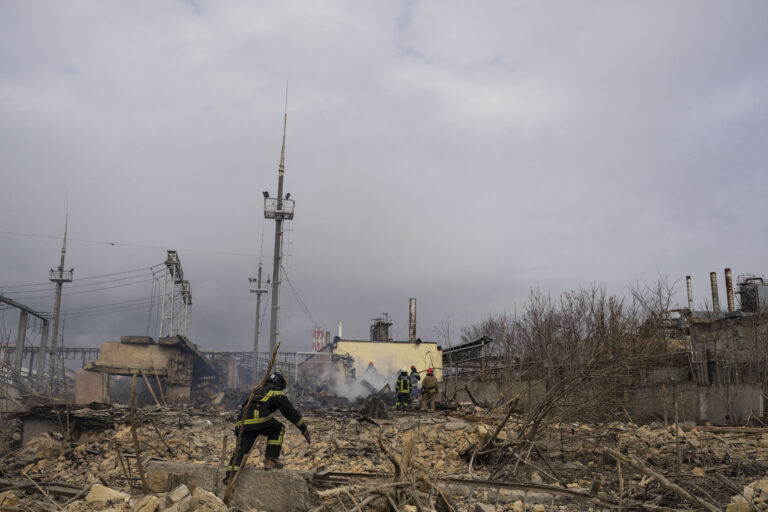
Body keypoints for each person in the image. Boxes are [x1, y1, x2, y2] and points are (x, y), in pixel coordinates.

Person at [224, 371, 310, 482]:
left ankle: (229, 476)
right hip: (258, 418)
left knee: (241, 449)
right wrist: (303, 428)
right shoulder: (276, 392)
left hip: (242, 422)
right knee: (278, 429)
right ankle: (270, 460)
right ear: (280, 384)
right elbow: (290, 412)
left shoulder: (257, 391)